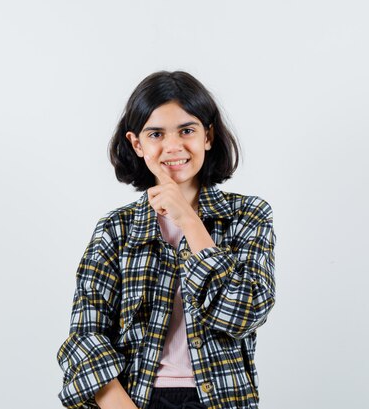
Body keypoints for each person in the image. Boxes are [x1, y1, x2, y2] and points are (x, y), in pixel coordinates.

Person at [56, 70, 277, 409]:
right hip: (136, 399)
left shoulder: (248, 216)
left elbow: (243, 313)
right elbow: (86, 335)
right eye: (156, 133)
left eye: (187, 130)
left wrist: (188, 219)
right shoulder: (116, 229)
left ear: (208, 136)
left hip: (221, 398)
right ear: (137, 143)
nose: (173, 146)